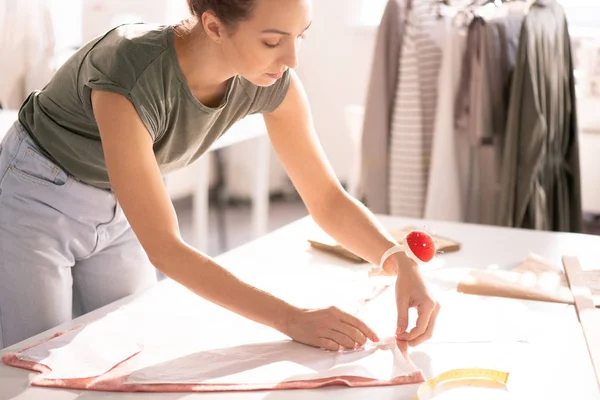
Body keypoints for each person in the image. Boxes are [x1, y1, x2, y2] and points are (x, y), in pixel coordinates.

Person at [0, 0, 439, 350]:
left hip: (120, 209)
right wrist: (293, 319)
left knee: (126, 348)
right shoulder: (129, 73)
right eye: (273, 41)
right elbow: (167, 250)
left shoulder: (270, 81)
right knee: (31, 361)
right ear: (213, 27)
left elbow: (325, 198)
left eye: (300, 37)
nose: (292, 59)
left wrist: (397, 261)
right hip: (37, 193)